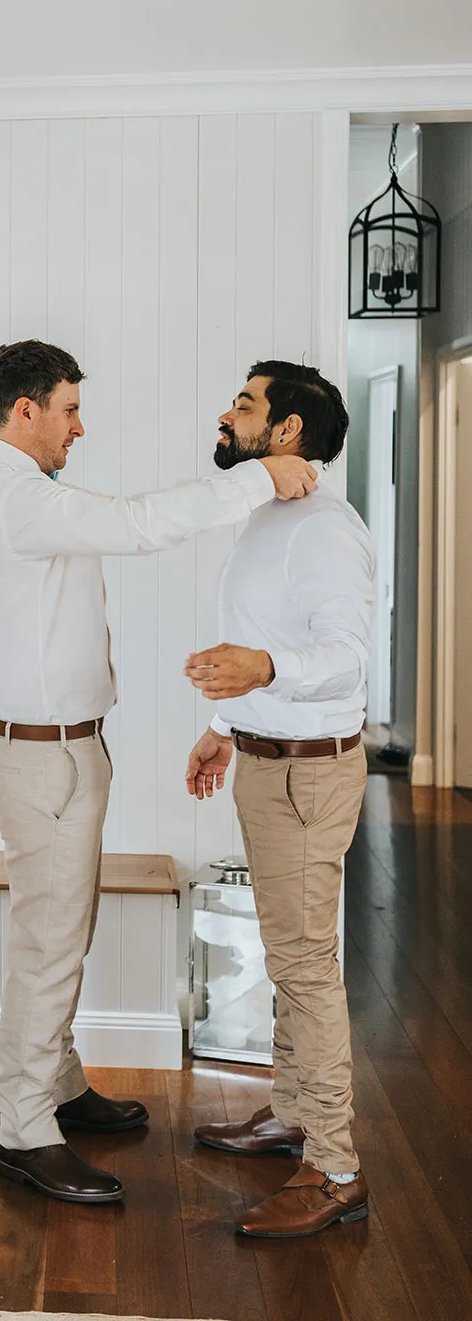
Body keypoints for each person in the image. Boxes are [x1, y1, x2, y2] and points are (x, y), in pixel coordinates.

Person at [0, 339, 317, 1207]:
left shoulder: (21, 496)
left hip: (60, 753)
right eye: (69, 410)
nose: (79, 428)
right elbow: (141, 522)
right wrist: (261, 477)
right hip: (41, 759)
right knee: (47, 945)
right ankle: (25, 1131)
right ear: (25, 410)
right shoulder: (15, 499)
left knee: (62, 933)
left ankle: (57, 1081)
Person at [185, 361, 374, 1238]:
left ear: (288, 429)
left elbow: (344, 657)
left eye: (244, 404)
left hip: (307, 772)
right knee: (289, 952)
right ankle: (294, 1112)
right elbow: (262, 636)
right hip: (266, 760)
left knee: (302, 965)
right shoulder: (268, 513)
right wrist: (223, 725)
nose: (226, 416)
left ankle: (333, 1168)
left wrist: (261, 671)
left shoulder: (325, 529)